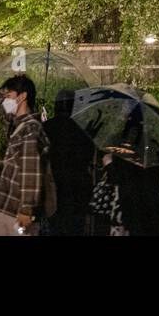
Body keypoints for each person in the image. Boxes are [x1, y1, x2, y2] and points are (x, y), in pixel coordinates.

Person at [0, 74, 51, 236]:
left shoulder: (30, 130)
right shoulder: (17, 125)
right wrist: (5, 89)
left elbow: (30, 171)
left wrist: (26, 209)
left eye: (9, 96)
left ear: (22, 96)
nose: (5, 101)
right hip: (5, 206)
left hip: (16, 212)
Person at [42, 89, 95, 235]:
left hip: (54, 186)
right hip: (79, 186)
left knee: (54, 227)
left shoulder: (47, 127)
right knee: (76, 227)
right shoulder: (83, 128)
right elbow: (89, 154)